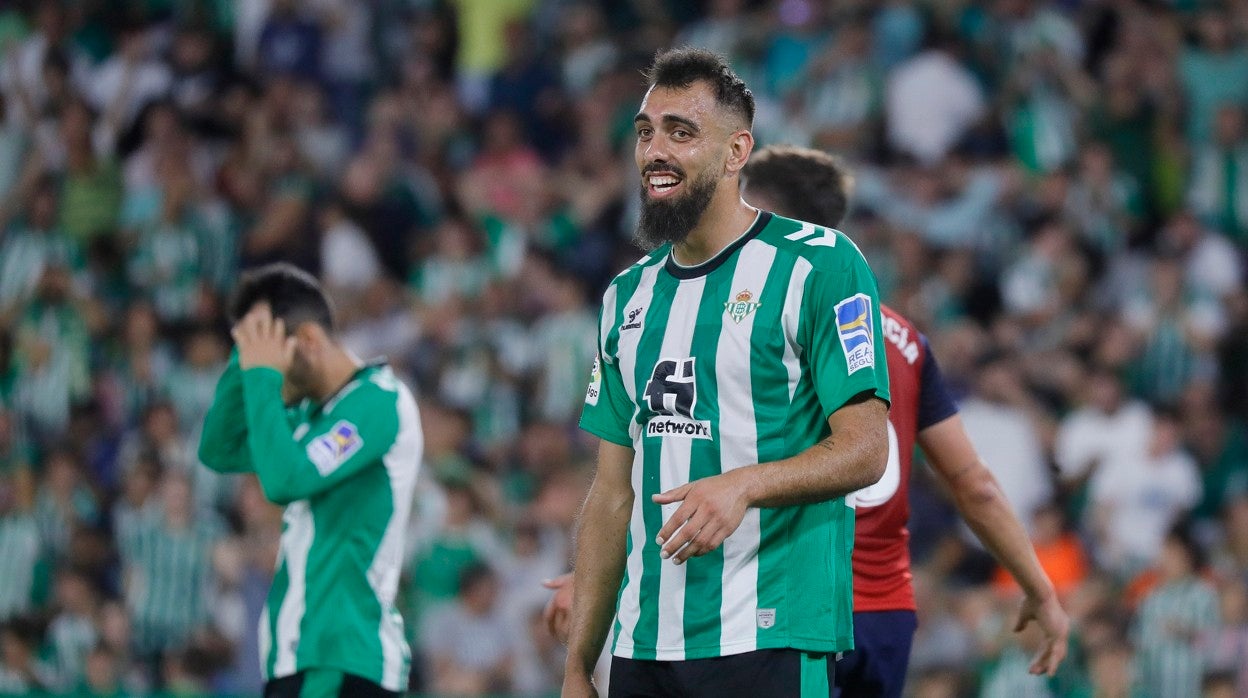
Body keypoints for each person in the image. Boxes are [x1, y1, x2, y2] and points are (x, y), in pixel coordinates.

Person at [548, 145, 1069, 697]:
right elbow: (974, 484)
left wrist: (601, 584)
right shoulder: (906, 342)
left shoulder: (746, 326)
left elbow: (685, 465)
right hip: (876, 613)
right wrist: (1039, 588)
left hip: (780, 601)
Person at [562, 48, 892, 698]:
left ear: (737, 151)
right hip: (642, 648)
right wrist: (580, 662)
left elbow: (865, 450)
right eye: (645, 131)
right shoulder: (625, 297)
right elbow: (609, 495)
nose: (656, 150)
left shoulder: (820, 265)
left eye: (681, 132)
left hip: (770, 633)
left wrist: (742, 485)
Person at [198, 263, 423, 698]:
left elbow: (286, 481)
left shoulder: (377, 400)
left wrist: (263, 377)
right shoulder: (309, 416)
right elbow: (219, 450)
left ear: (309, 342)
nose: (267, 372)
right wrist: (245, 357)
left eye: (272, 354)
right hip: (302, 657)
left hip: (340, 654)